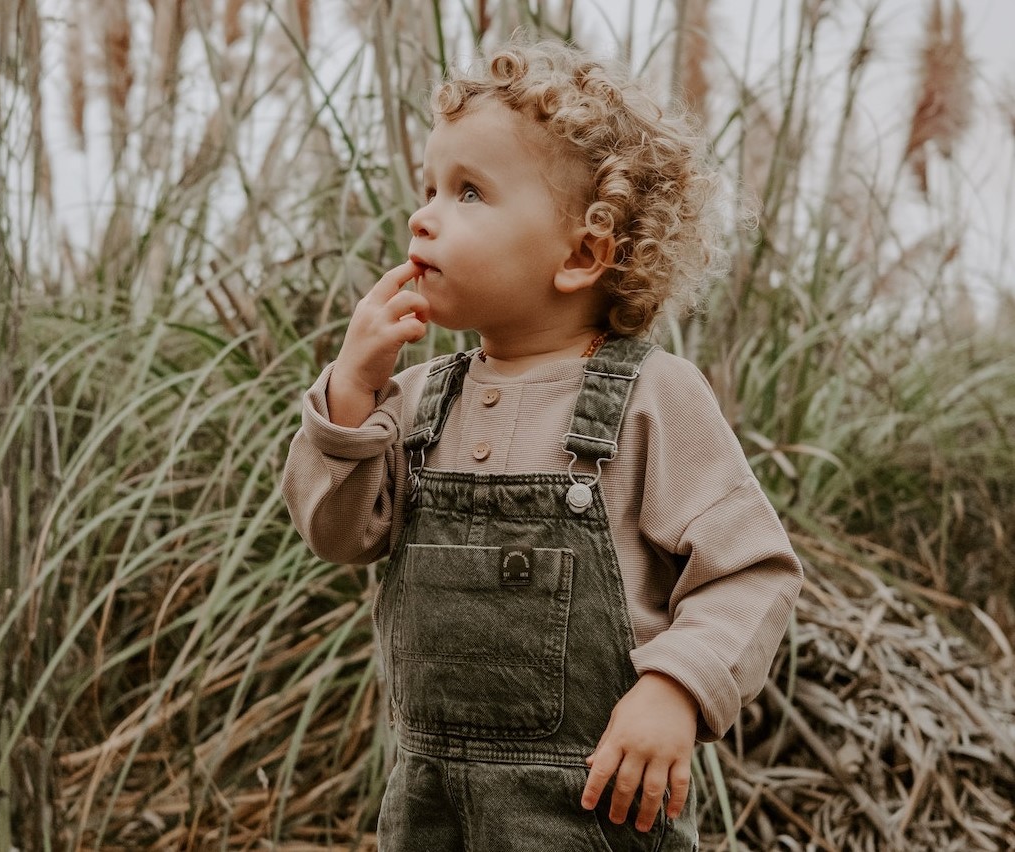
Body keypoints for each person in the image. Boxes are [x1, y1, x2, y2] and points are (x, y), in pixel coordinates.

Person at [281, 34, 803, 850]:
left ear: (583, 253)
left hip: (596, 807)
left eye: (470, 193)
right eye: (428, 187)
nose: (423, 214)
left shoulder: (653, 398)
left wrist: (676, 685)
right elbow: (339, 532)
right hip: (428, 809)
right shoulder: (415, 401)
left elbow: (752, 572)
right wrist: (351, 393)